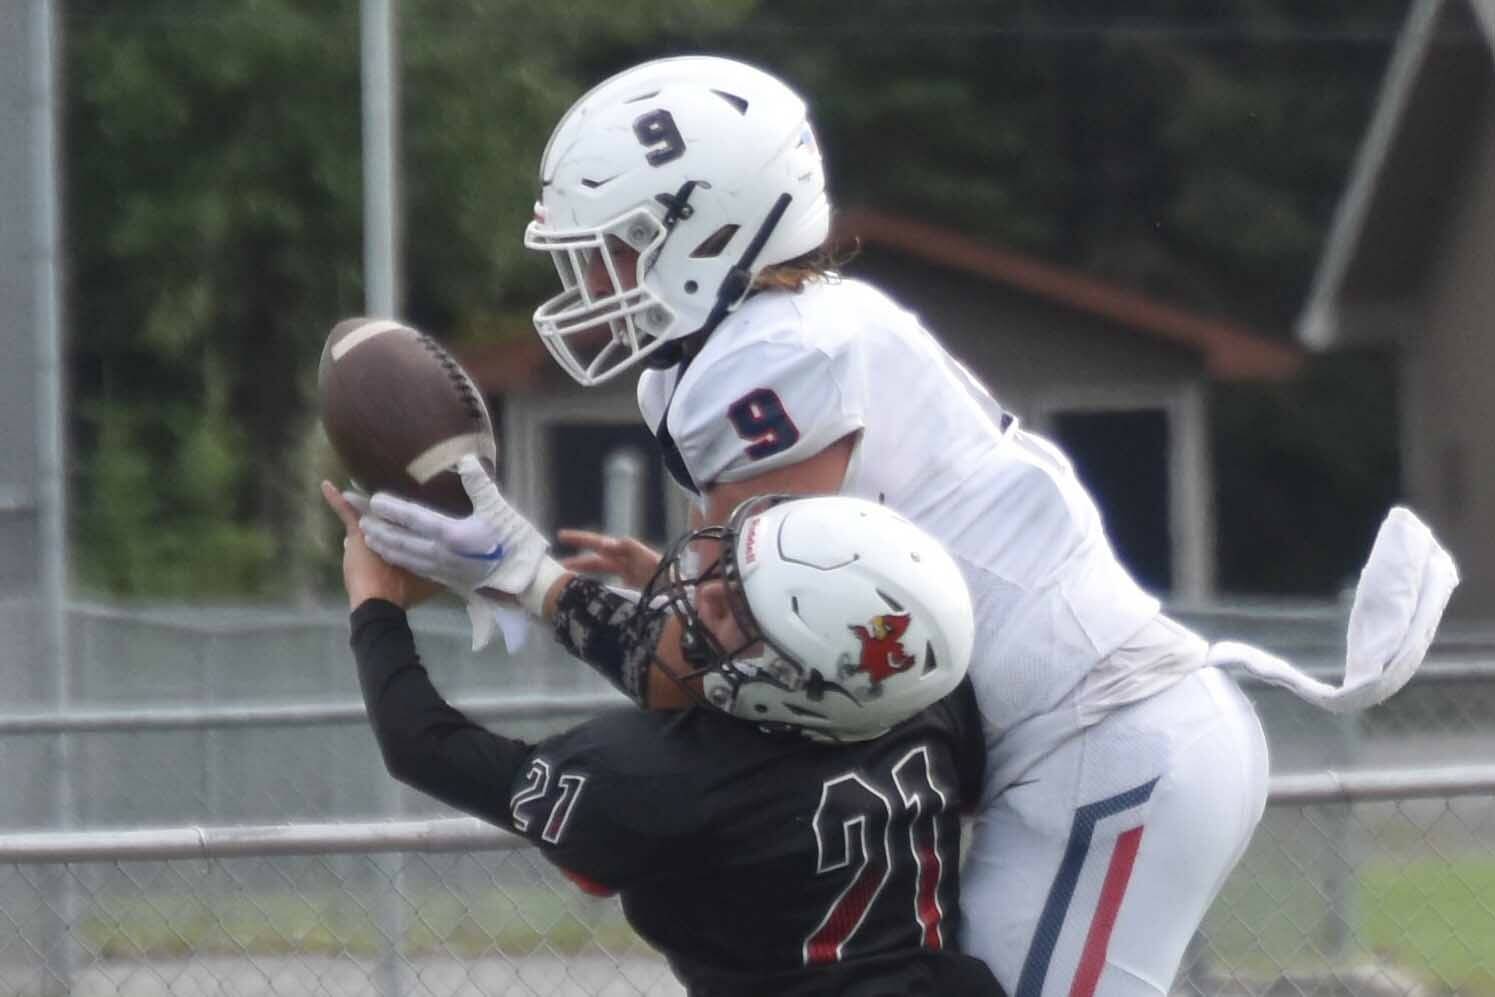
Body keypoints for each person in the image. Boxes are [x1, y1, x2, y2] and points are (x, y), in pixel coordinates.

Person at [352, 56, 1459, 996]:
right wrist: (597, 588)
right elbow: (742, 640)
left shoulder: (765, 362)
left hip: (1104, 747)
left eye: (625, 244)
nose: (597, 277)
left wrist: (529, 573)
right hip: (1085, 744)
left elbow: (693, 664)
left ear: (712, 226)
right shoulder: (778, 336)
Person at [325, 478, 1006, 996]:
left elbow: (421, 742)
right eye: (729, 571)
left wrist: (374, 601)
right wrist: (532, 580)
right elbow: (710, 667)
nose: (699, 592)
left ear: (792, 680)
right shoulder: (915, 699)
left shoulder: (672, 779)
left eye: (735, 603)